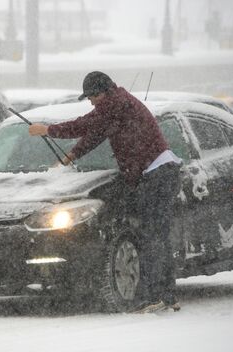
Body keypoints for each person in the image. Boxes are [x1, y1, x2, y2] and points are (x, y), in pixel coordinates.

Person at [28, 71, 182, 313]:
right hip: (159, 172)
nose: (90, 102)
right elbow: (97, 133)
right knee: (156, 237)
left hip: (157, 173)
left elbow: (85, 124)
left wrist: (48, 130)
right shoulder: (119, 104)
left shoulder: (115, 103)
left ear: (103, 92)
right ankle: (167, 295)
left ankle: (156, 297)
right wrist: (73, 155)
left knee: (152, 237)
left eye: (92, 97)